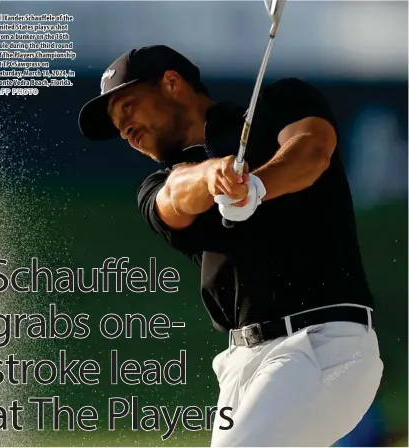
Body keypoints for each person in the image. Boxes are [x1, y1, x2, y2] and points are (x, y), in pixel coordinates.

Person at [79, 45, 384, 447]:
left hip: (322, 345)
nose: (125, 130)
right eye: (118, 126)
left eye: (129, 107)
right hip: (240, 366)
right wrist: (212, 178)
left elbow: (312, 150)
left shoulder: (280, 103)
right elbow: (174, 198)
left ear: (172, 83)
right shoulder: (157, 186)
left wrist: (256, 187)